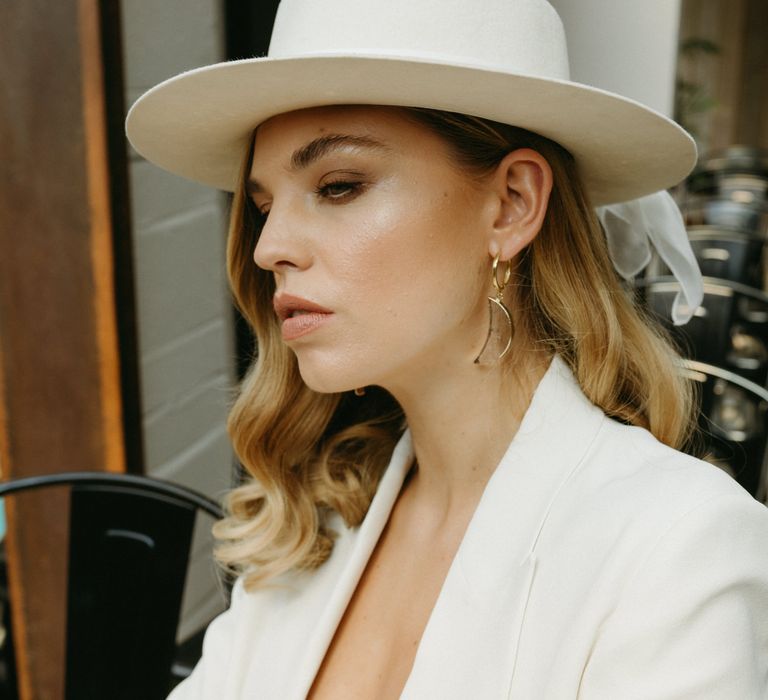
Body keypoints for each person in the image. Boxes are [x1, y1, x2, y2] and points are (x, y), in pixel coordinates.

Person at [127, 1, 768, 697]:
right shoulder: (308, 528)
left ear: (512, 204)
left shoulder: (676, 546)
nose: (269, 247)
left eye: (338, 187)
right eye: (263, 206)